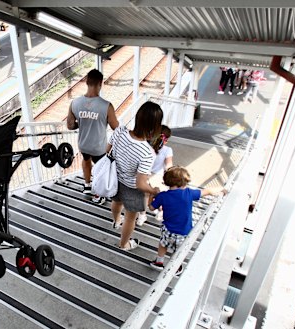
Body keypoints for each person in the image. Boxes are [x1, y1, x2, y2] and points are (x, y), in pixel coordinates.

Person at [148, 166, 226, 275]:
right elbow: (207, 191)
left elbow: (151, 208)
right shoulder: (188, 193)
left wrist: (151, 195)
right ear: (183, 183)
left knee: (163, 244)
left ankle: (159, 262)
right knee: (178, 251)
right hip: (184, 232)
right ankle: (176, 268)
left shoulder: (162, 196)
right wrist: (222, 189)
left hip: (168, 230)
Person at [107, 101, 162, 250]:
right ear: (155, 127)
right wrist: (154, 191)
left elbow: (107, 151)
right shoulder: (146, 152)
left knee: (117, 202)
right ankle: (124, 244)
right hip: (131, 187)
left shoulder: (119, 131)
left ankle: (117, 221)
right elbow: (140, 184)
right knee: (131, 218)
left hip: (114, 179)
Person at [67, 69, 119, 205]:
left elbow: (70, 125)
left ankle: (87, 184)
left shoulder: (74, 103)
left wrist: (83, 121)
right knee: (101, 169)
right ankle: (98, 194)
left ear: (86, 81)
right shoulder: (106, 106)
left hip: (83, 144)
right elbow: (116, 128)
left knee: (86, 159)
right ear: (100, 83)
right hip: (99, 147)